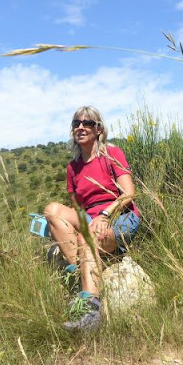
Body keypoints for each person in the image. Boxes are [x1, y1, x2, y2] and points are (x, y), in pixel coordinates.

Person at [44, 106, 140, 332]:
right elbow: (76, 208)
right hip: (89, 217)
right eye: (76, 123)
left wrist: (106, 216)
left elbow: (129, 193)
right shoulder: (73, 168)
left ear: (98, 129)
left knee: (87, 239)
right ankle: (77, 269)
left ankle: (90, 312)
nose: (80, 127)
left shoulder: (112, 154)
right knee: (51, 209)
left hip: (119, 213)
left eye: (86, 123)